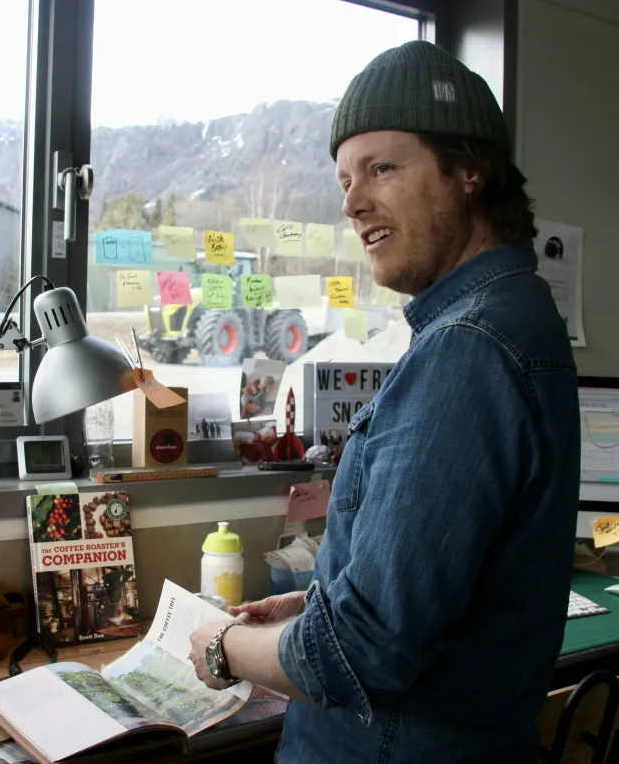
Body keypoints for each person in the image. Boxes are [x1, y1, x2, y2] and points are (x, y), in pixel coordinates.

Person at [189, 40, 580, 764]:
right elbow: (437, 590)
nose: (351, 202)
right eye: (344, 178)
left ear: (470, 169)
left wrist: (223, 646)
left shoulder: (469, 350)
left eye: (382, 169)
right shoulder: (516, 315)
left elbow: (364, 651)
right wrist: (311, 603)